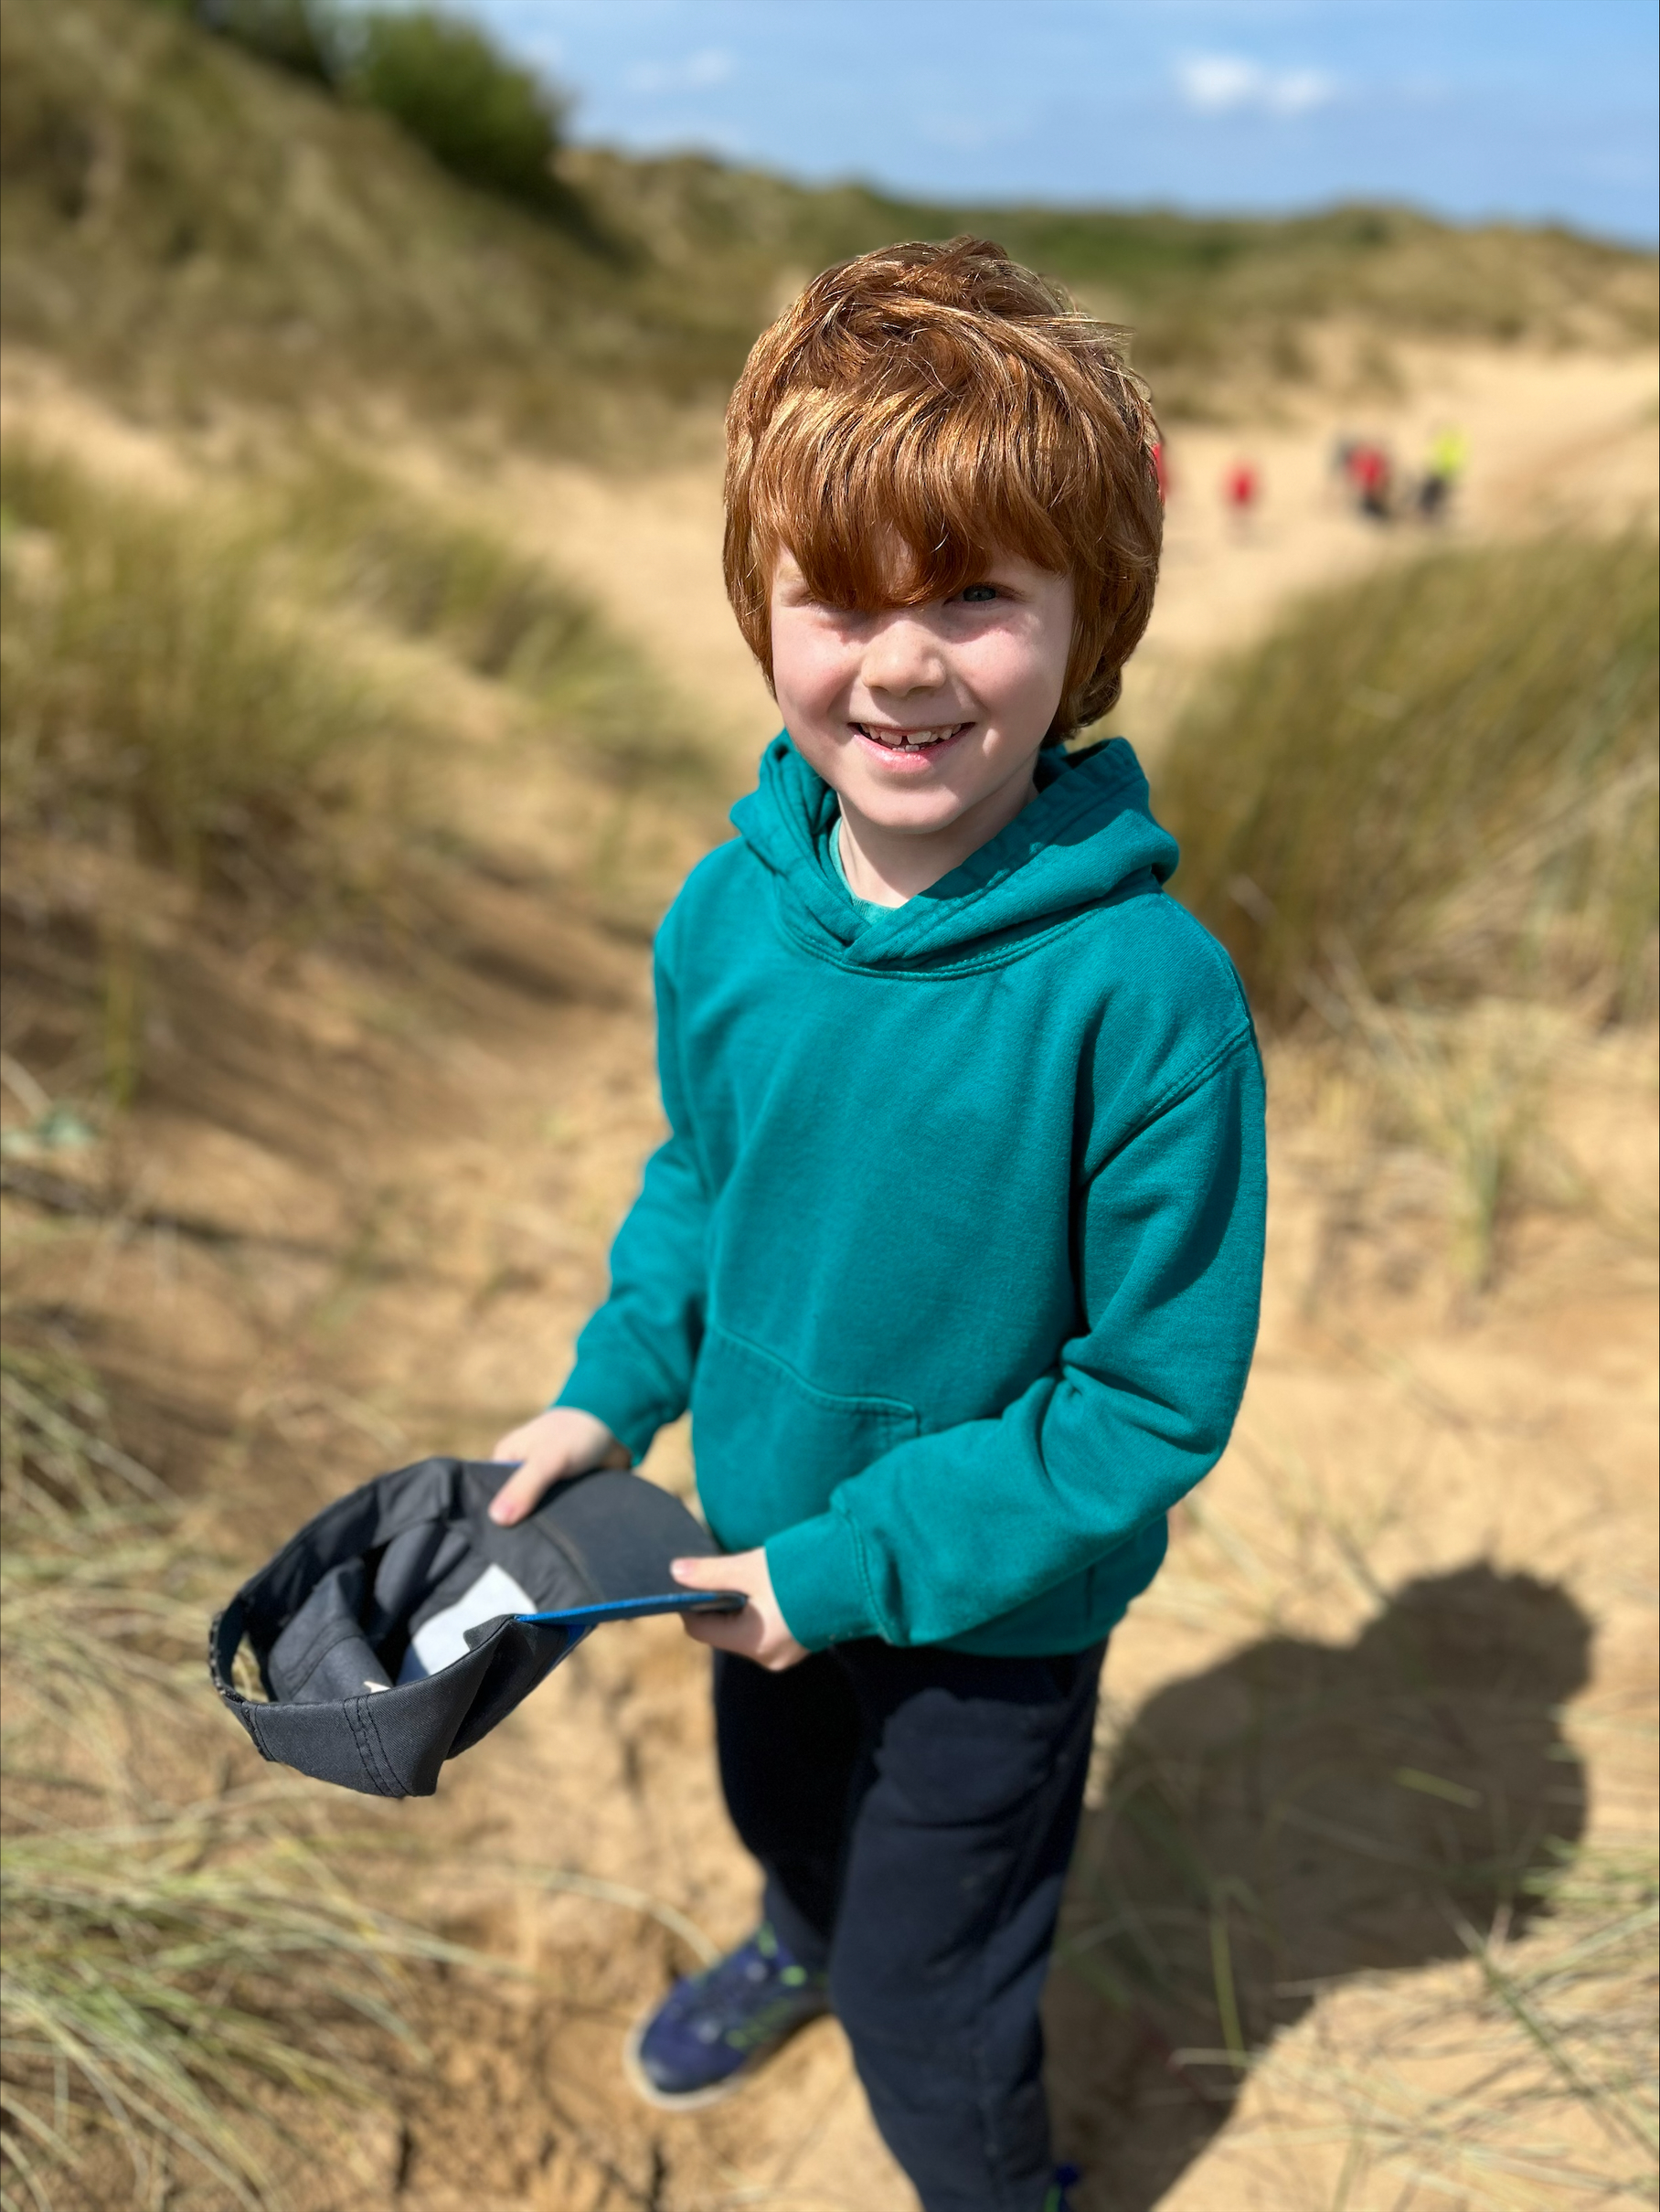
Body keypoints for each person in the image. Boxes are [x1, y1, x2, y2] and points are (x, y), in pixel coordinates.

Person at [486, 239, 1267, 2212]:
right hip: (745, 1549)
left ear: (1088, 625)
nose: (899, 664)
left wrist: (848, 1566)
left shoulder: (1140, 997)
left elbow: (1139, 1407)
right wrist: (605, 1402)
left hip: (989, 1614)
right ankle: (794, 1935)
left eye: (977, 600)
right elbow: (699, 1186)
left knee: (938, 1999)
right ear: (762, 610)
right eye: (838, 599)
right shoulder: (721, 915)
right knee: (789, 1821)